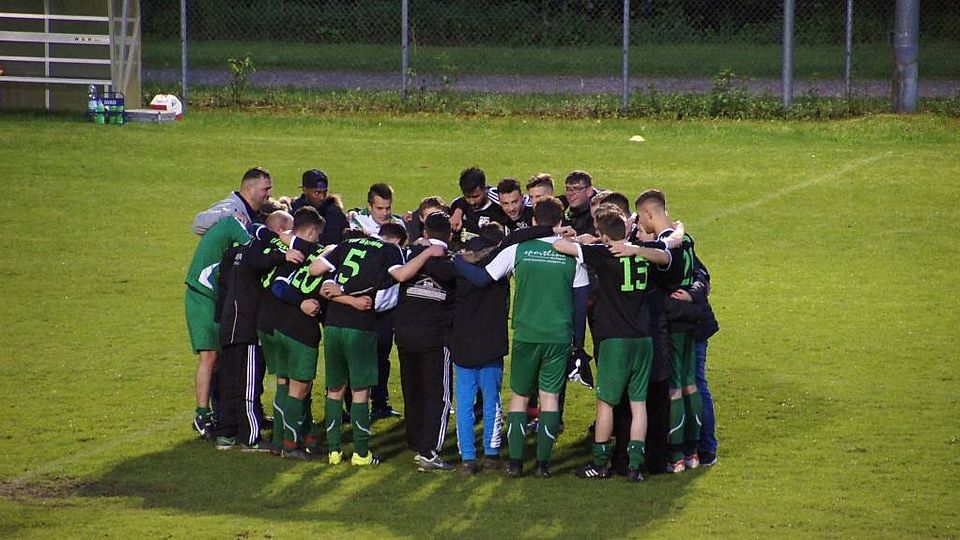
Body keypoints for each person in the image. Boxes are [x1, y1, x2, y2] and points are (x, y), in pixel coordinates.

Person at [455, 197, 589, 478]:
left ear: (534, 221)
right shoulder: (573, 254)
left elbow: (483, 279)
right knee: (549, 399)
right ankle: (542, 465)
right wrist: (577, 344)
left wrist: (456, 260)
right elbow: (580, 306)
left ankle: (515, 464)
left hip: (526, 334)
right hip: (558, 336)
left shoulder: (518, 249)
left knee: (519, 397)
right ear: (560, 221)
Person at [554, 205, 670, 482]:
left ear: (604, 234)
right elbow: (666, 253)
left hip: (615, 340)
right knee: (638, 404)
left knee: (606, 403)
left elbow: (560, 246)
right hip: (643, 339)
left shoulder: (604, 253)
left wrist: (586, 241)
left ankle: (599, 463)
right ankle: (634, 466)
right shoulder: (642, 252)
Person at [315, 233, 447, 466]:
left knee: (334, 389)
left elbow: (315, 270)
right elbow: (402, 274)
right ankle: (361, 454)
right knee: (360, 391)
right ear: (396, 241)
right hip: (360, 327)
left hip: (332, 325)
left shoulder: (347, 244)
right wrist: (428, 252)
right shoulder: (388, 250)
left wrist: (341, 288)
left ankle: (334, 451)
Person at [212, 210, 296, 452]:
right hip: (246, 327)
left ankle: (226, 435)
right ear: (279, 230)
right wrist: (284, 255)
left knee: (228, 383)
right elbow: (261, 261)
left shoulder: (234, 252)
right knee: (248, 384)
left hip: (228, 323)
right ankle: (250, 437)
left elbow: (224, 280)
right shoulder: (259, 249)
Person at [631, 189, 702, 473]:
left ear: (649, 213)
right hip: (689, 317)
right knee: (690, 384)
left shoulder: (665, 246)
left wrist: (636, 249)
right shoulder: (686, 237)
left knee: (673, 388)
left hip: (669, 321)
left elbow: (660, 256)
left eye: (641, 218)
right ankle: (693, 453)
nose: (641, 224)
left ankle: (676, 456)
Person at [394, 212, 459, 472]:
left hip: (405, 334)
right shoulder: (451, 264)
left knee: (413, 389)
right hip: (435, 337)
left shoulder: (409, 256)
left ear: (425, 233)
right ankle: (429, 452)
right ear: (450, 235)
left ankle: (415, 441)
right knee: (438, 395)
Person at [451, 223, 509, 475]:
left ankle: (467, 458)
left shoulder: (458, 273)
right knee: (492, 401)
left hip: (463, 344)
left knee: (464, 403)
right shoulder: (499, 272)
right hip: (491, 345)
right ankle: (492, 454)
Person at [348, 183, 406, 419]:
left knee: (382, 357)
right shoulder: (357, 223)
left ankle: (380, 404)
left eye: (388, 208)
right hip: (361, 306)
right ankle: (352, 407)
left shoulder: (398, 224)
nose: (385, 213)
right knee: (358, 358)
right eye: (380, 208)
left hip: (387, 307)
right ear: (369, 206)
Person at [192, 167, 274, 235]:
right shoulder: (230, 207)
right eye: (265, 189)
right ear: (250, 189)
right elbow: (198, 224)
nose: (270, 194)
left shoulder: (260, 211)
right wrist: (230, 215)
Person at [449, 167, 509, 245]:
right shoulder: (457, 206)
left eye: (476, 196)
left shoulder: (500, 206)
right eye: (467, 197)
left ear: (485, 188)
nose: (472, 202)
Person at [290, 169, 349, 245]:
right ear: (305, 190)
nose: (322, 197)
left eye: (324, 192)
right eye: (317, 193)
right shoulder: (294, 211)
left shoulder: (335, 214)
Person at [562, 170, 599, 236]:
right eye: (568, 189)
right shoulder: (562, 203)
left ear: (589, 191)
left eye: (576, 189)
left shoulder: (600, 209)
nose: (570, 193)